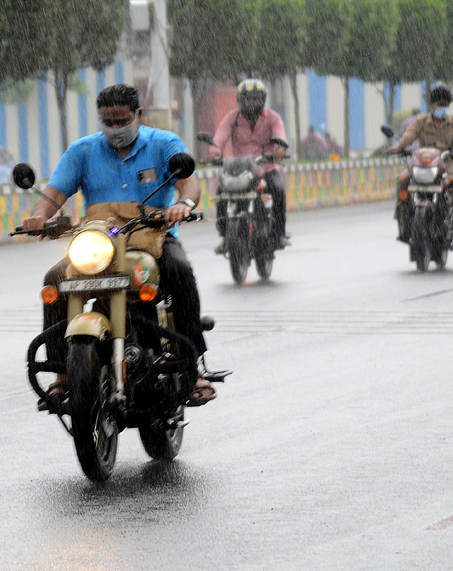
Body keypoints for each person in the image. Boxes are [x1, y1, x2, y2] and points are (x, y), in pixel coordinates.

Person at [21, 84, 216, 407]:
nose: (115, 128)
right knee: (54, 281)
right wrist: (39, 216)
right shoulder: (83, 151)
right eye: (108, 122)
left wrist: (183, 204)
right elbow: (54, 194)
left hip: (152, 239)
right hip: (99, 244)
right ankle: (62, 373)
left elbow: (188, 184)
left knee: (179, 271)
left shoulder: (164, 144)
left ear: (139, 115)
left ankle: (192, 369)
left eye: (121, 120)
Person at [210, 79, 290, 254]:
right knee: (220, 193)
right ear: (240, 100)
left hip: (266, 168)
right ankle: (225, 237)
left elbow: (280, 137)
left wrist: (279, 150)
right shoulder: (233, 117)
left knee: (278, 189)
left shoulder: (273, 118)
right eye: (247, 99)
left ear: (262, 99)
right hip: (240, 170)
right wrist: (215, 151)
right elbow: (220, 137)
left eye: (255, 99)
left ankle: (279, 234)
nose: (251, 103)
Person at [387, 85, 453, 242]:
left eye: (446, 105)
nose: (443, 107)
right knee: (402, 180)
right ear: (432, 105)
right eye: (439, 104)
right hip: (423, 163)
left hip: (447, 162)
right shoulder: (421, 121)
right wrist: (397, 147)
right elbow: (408, 136)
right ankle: (405, 224)